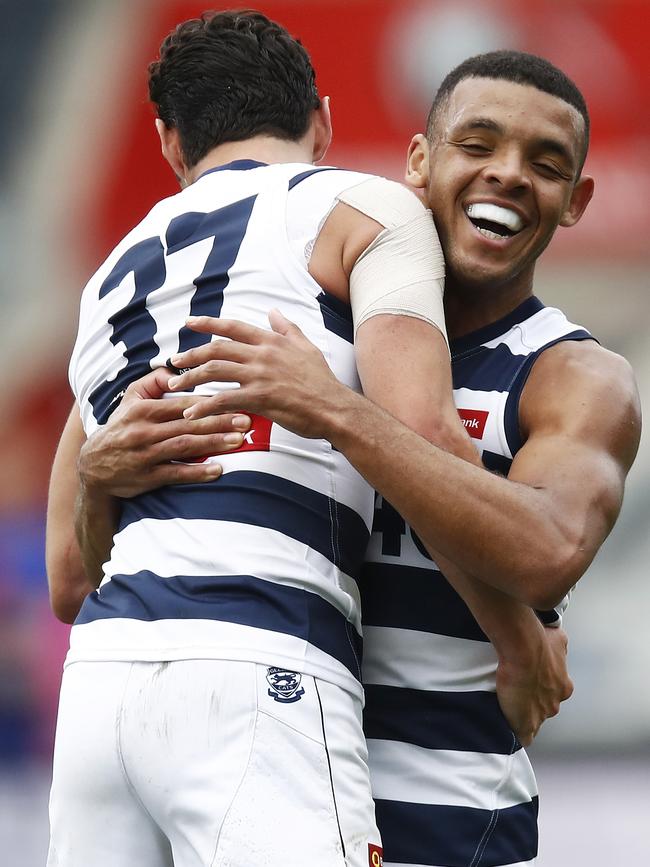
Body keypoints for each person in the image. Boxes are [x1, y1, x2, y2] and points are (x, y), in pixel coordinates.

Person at [45, 38, 593, 867]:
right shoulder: (365, 208)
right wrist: (517, 640)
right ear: (324, 123)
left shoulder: (110, 279)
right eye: (477, 146)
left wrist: (95, 483)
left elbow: (67, 577)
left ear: (168, 143)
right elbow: (428, 436)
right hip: (261, 657)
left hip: (97, 688)